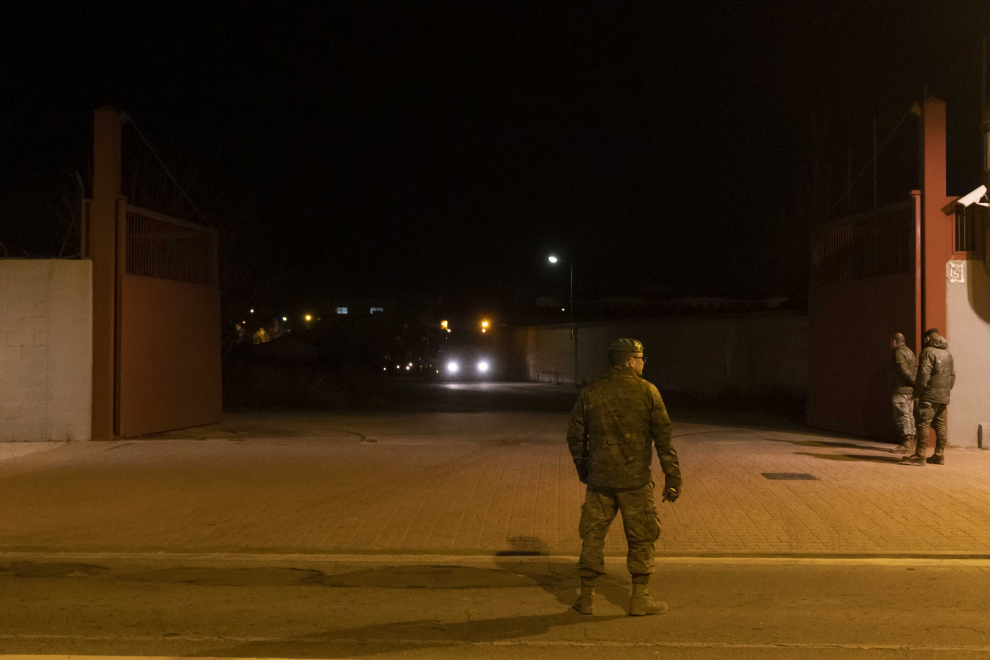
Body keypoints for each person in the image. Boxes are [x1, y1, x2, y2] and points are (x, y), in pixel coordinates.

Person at [566, 338, 681, 616]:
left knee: (593, 536)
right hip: (636, 482)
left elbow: (575, 435)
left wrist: (585, 470)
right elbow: (664, 439)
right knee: (642, 538)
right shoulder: (648, 391)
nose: (643, 363)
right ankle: (640, 598)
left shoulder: (592, 391)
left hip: (600, 481)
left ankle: (587, 598)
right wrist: (672, 477)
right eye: (640, 359)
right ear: (629, 361)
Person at [901, 331, 955, 466]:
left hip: (929, 396)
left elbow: (924, 375)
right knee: (940, 425)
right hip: (943, 396)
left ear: (928, 339)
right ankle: (939, 454)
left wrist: (919, 391)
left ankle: (919, 455)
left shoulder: (927, 352)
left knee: (923, 423)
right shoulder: (948, 355)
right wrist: (946, 390)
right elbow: (953, 376)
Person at [886, 333, 917, 453]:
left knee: (901, 415)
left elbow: (903, 370)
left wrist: (913, 381)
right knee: (909, 415)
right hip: (909, 391)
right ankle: (912, 443)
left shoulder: (899, 352)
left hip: (901, 389)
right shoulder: (909, 351)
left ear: (894, 342)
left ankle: (906, 444)